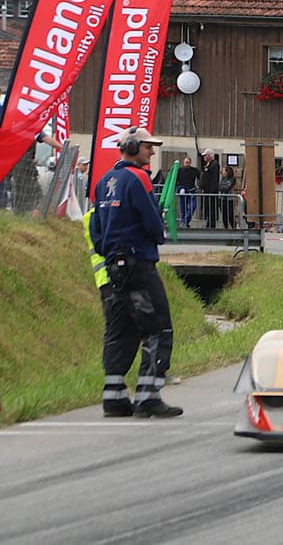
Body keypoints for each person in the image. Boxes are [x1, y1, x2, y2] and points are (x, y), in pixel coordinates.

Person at [89, 126, 182, 418]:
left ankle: (114, 397)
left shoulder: (104, 181)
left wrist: (108, 250)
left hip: (114, 269)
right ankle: (148, 396)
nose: (152, 152)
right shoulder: (139, 178)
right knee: (158, 328)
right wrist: (159, 235)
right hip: (138, 265)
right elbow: (152, 221)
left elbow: (96, 227)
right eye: (147, 147)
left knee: (121, 330)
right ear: (130, 147)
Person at [174, 155, 199, 227]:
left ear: (190, 163)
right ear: (183, 163)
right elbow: (175, 180)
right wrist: (177, 189)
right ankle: (185, 222)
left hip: (192, 190)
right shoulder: (180, 170)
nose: (187, 164)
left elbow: (200, 178)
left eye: (188, 162)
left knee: (193, 206)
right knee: (183, 208)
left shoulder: (195, 170)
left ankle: (185, 220)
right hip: (182, 190)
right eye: (185, 163)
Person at [199, 148, 220, 228]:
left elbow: (214, 178)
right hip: (207, 190)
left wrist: (212, 191)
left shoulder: (214, 164)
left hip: (211, 191)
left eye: (205, 155)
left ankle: (211, 224)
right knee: (207, 207)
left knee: (212, 208)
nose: (204, 157)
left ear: (209, 155)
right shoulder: (208, 164)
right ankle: (209, 222)